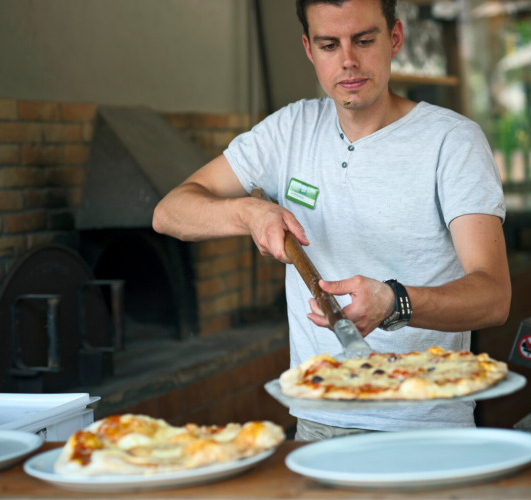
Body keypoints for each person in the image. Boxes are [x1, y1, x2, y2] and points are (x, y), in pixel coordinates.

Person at [153, 0, 511, 441]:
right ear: (309, 49)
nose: (348, 61)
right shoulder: (290, 130)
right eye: (329, 45)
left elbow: (493, 297)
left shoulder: (452, 141)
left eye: (364, 40)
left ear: (394, 38)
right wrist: (248, 212)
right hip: (316, 423)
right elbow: (169, 212)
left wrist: (395, 301)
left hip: (426, 425)